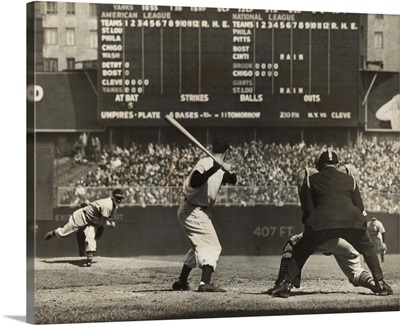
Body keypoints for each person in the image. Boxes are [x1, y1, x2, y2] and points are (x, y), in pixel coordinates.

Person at [272, 149, 393, 298]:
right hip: (350, 225)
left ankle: (285, 284)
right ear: (337, 164)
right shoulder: (351, 179)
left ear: (319, 165)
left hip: (323, 226)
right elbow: (360, 207)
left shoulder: (310, 179)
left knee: (298, 249)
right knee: (367, 250)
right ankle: (380, 284)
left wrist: (311, 230)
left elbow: (307, 209)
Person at [172, 138, 237, 292]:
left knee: (198, 246)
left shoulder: (219, 168)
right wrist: (215, 167)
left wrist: (230, 171)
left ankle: (182, 281)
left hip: (197, 210)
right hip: (192, 209)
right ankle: (204, 283)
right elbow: (195, 181)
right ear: (226, 152)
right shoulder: (206, 163)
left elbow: (233, 180)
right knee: (213, 245)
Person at [44, 188, 124, 266]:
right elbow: (102, 222)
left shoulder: (115, 207)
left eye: (121, 198)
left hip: (93, 221)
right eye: (117, 197)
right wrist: (110, 224)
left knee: (90, 236)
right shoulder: (107, 205)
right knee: (63, 234)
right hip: (82, 216)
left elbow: (101, 221)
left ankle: (89, 258)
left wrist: (106, 224)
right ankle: (53, 233)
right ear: (113, 196)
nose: (119, 200)